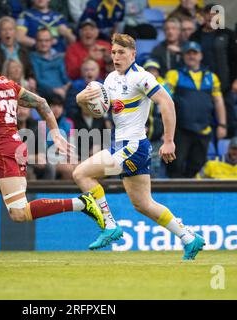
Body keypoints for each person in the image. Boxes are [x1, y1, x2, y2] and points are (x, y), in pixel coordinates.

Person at [0, 46, 104, 268]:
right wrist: (56, 134)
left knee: (19, 213)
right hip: (3, 153)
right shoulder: (7, 84)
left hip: (7, 152)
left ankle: (81, 203)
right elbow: (43, 103)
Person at [73, 33, 205, 260]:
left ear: (133, 54)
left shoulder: (141, 77)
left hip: (132, 146)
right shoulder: (110, 80)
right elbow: (98, 110)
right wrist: (81, 99)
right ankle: (189, 238)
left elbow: (166, 102)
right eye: (113, 52)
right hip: (124, 146)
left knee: (81, 173)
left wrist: (168, 140)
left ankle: (109, 225)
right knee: (143, 204)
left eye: (121, 52)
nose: (116, 56)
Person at [165, 41, 227, 178]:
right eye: (188, 53)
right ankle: (174, 198)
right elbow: (165, 101)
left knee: (197, 166)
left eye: (195, 53)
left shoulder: (211, 77)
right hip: (181, 130)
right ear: (183, 56)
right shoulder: (174, 75)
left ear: (201, 56)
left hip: (203, 130)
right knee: (175, 166)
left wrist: (222, 124)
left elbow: (218, 101)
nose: (191, 56)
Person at [190, 3, 237, 138]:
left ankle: (229, 153)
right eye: (208, 14)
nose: (211, 17)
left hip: (225, 87)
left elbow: (235, 59)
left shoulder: (228, 34)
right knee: (204, 123)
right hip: (202, 87)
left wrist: (235, 80)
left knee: (229, 122)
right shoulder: (195, 36)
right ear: (203, 16)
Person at [30, 28, 70, 99]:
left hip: (62, 90)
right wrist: (54, 90)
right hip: (45, 92)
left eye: (47, 40)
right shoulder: (32, 58)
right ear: (36, 42)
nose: (43, 43)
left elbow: (64, 76)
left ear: (52, 41)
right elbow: (38, 80)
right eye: (40, 40)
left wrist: (67, 85)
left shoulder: (59, 57)